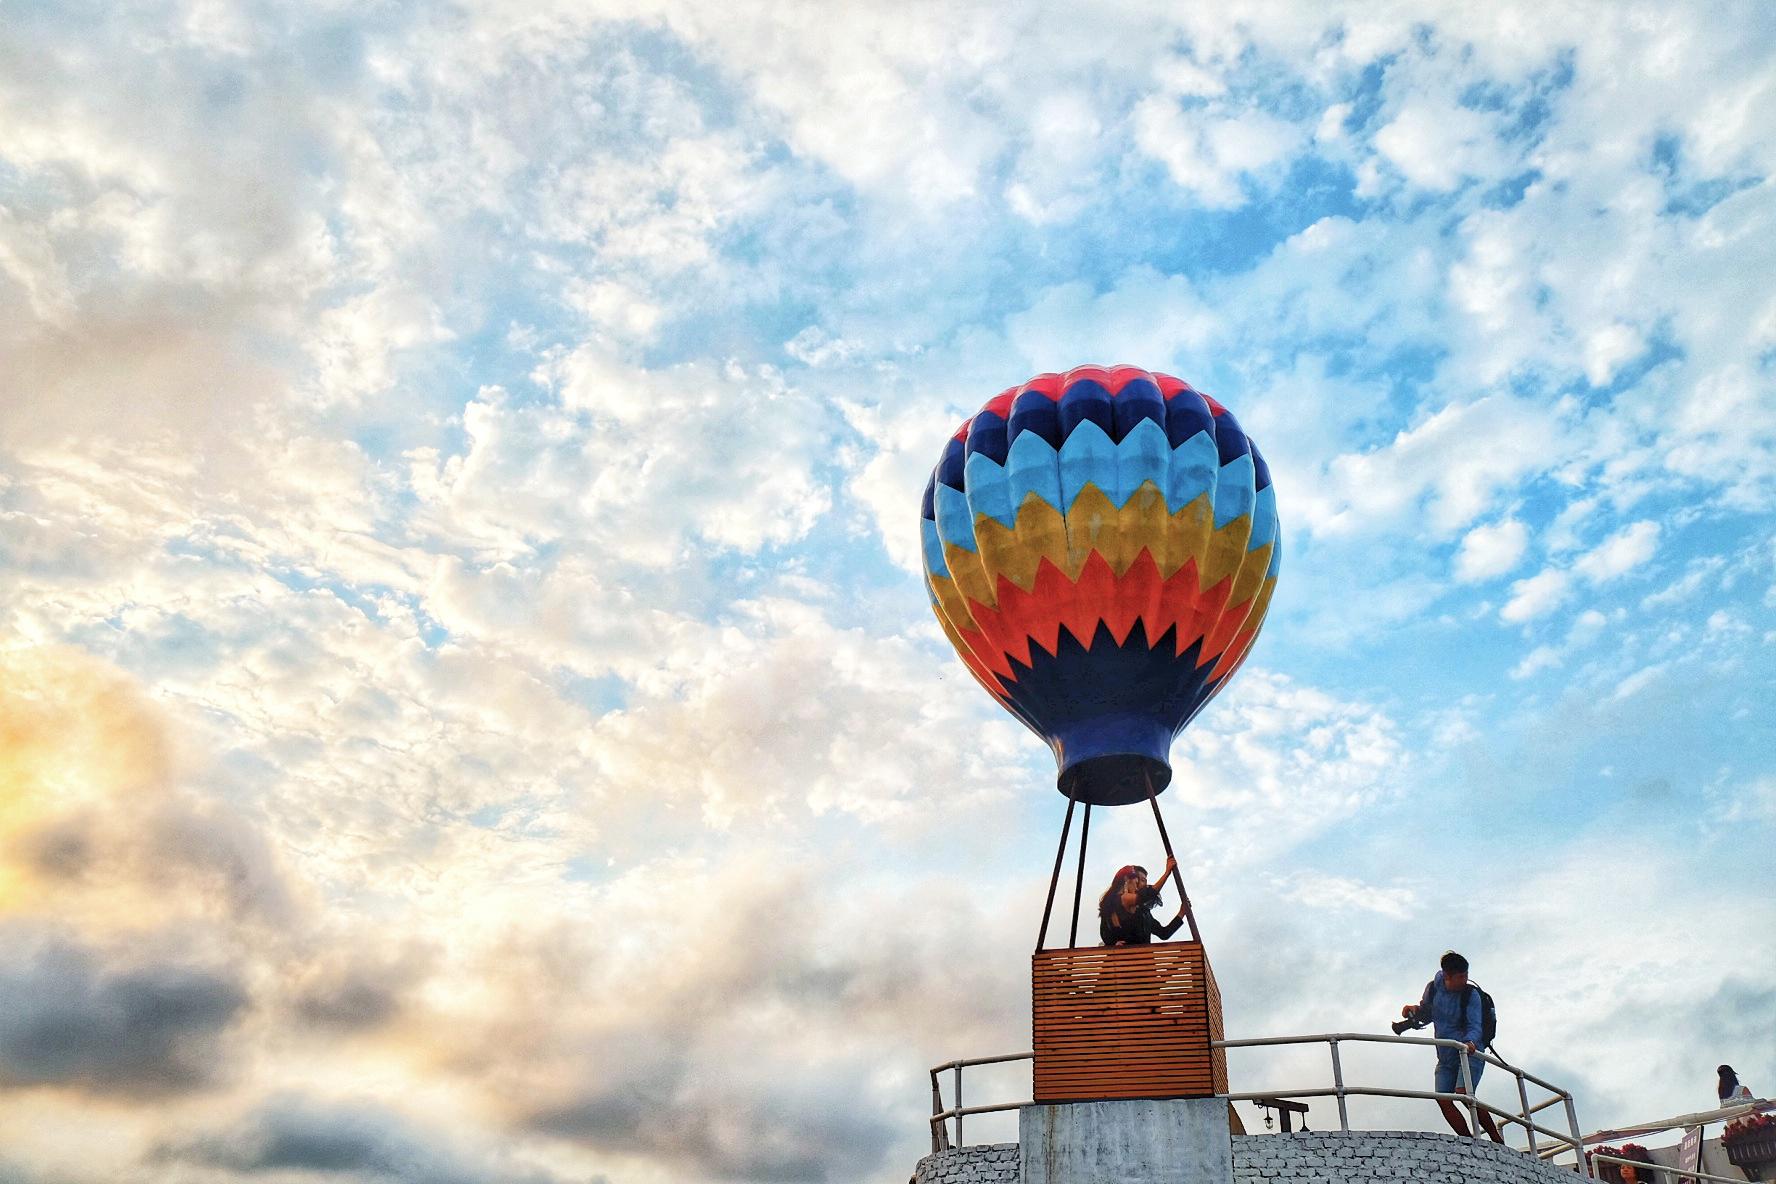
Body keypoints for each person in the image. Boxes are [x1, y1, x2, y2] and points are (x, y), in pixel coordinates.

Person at [1399, 950, 1504, 1143]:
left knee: (1464, 1094)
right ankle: (1468, 1141)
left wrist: (1470, 1042)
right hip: (1446, 1055)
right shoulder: (1434, 988)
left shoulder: (1470, 995)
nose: (1465, 980)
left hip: (1469, 1052)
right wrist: (1414, 1010)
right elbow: (1427, 1011)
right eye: (1460, 976)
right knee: (1443, 1098)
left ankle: (1496, 1139)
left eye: (1466, 975)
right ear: (1447, 976)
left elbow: (1475, 1025)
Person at [1098, 857, 1185, 946]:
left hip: (1145, 958)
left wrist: (1182, 912)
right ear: (1129, 880)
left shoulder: (1144, 913)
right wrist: (1167, 873)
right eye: (1141, 880)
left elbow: (1164, 933)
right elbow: (1105, 931)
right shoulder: (1117, 901)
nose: (1144, 885)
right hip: (1124, 957)